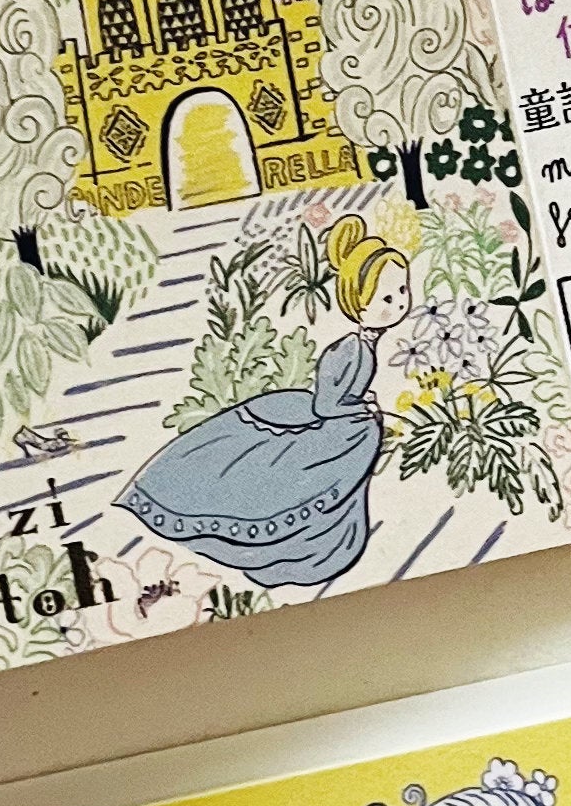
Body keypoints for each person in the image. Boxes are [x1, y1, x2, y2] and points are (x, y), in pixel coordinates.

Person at [120, 216, 411, 589]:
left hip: (347, 422)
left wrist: (361, 403)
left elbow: (342, 394)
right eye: (386, 298)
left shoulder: (364, 346)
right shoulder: (351, 349)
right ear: (359, 303)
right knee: (290, 477)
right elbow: (326, 405)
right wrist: (360, 410)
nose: (399, 303)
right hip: (333, 422)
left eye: (402, 291)